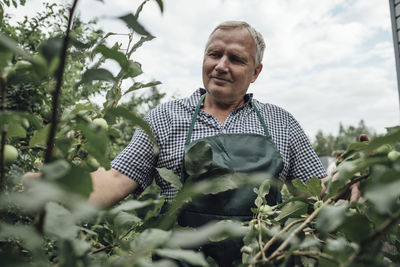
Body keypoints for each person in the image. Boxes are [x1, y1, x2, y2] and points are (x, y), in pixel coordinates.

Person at [26, 21, 355, 266]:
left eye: (236, 59)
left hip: (264, 259)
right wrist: (62, 187)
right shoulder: (166, 118)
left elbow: (321, 187)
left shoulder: (281, 123)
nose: (221, 65)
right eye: (214, 54)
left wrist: (353, 173)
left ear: (256, 72)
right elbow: (116, 179)